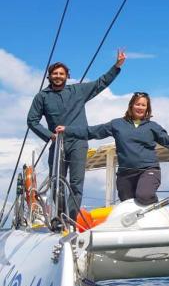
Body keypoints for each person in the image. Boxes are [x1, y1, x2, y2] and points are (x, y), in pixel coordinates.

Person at [27, 50, 126, 221]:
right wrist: (49, 136)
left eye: (61, 73)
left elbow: (100, 83)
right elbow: (32, 120)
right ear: (49, 76)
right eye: (55, 73)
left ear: (67, 76)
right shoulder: (42, 97)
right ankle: (58, 218)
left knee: (76, 183)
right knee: (57, 181)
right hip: (58, 143)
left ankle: (71, 219)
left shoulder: (78, 90)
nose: (58, 76)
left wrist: (117, 66)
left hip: (79, 142)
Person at [57, 92, 169, 206]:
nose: (140, 107)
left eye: (143, 105)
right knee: (128, 205)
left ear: (147, 109)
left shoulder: (153, 126)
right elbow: (92, 131)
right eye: (137, 104)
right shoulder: (117, 124)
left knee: (144, 195)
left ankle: (156, 208)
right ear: (131, 106)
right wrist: (68, 130)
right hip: (125, 174)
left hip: (148, 170)